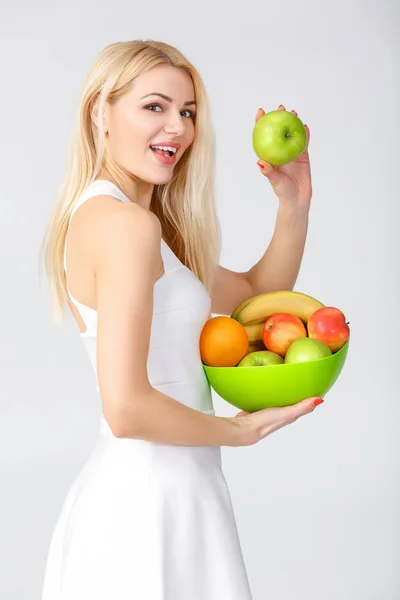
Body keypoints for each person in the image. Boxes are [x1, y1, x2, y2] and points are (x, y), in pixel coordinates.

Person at [39, 39, 323, 600]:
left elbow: (254, 294)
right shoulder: (126, 228)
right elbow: (125, 408)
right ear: (100, 110)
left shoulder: (126, 223)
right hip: (150, 506)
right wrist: (239, 432)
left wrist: (294, 204)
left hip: (162, 493)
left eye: (187, 112)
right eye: (155, 106)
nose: (177, 128)